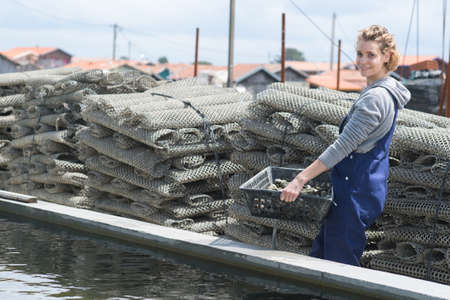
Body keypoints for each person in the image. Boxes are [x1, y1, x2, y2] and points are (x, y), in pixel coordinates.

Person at [280, 25, 411, 266]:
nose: (362, 60)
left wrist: (300, 180)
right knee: (321, 258)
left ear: (387, 57)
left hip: (354, 193)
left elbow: (342, 147)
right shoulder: (383, 91)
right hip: (361, 188)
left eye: (371, 54)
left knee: (339, 267)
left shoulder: (375, 98)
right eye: (360, 53)